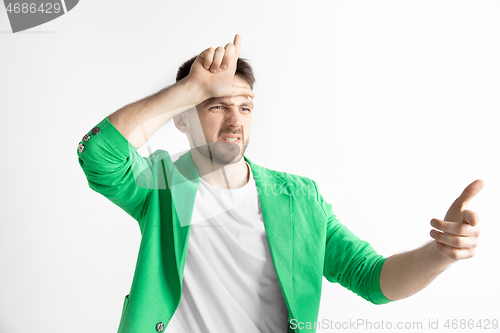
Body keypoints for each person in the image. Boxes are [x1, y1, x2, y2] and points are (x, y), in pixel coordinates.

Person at [76, 34, 484, 333]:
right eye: (217, 106)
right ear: (181, 118)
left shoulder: (299, 199)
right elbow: (98, 154)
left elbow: (372, 279)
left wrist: (440, 254)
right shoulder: (162, 184)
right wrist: (189, 90)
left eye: (245, 108)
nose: (235, 121)